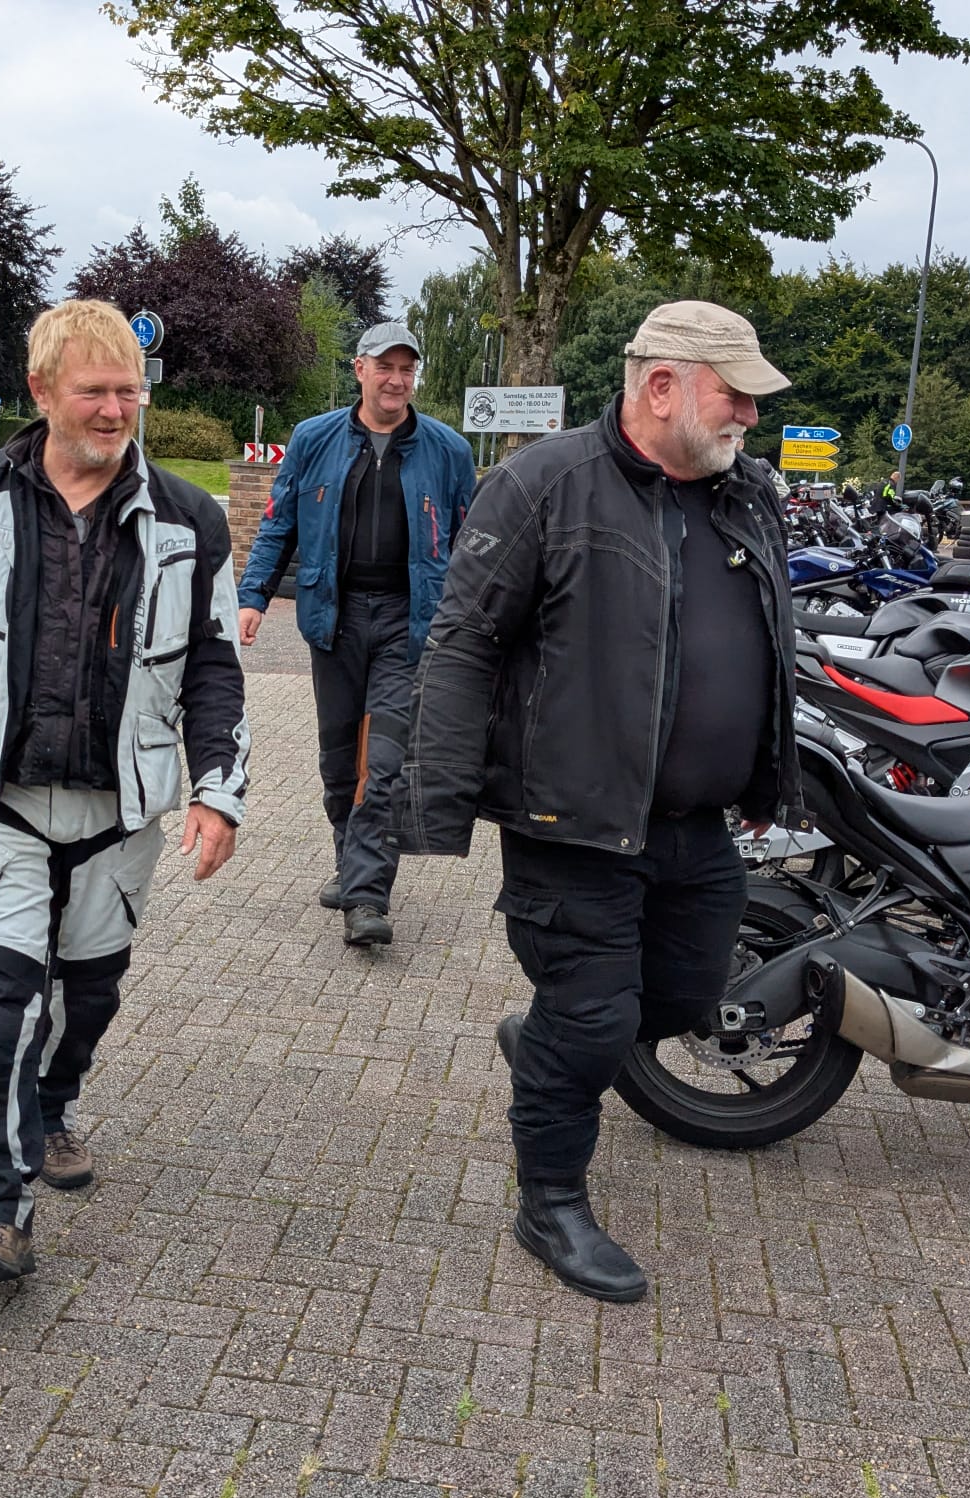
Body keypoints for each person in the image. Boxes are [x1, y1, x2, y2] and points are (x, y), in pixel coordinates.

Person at [392, 301, 801, 1302]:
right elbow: (462, 643)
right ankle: (551, 1201)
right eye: (735, 393)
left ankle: (547, 1046)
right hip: (572, 822)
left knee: (682, 999)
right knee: (591, 1016)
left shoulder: (747, 492)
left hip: (696, 824)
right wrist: (434, 804)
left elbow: (766, 634)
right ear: (662, 387)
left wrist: (764, 771)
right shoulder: (544, 484)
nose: (752, 413)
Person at [0, 299, 250, 1292]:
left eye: (130, 391)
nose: (116, 409)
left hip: (118, 819)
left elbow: (214, 666)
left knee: (88, 996)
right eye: (94, 391)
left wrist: (219, 791)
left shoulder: (190, 520)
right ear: (42, 391)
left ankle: (53, 1104)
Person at [236, 321, 475, 947]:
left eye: (407, 369)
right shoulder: (314, 438)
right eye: (385, 367)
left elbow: (471, 543)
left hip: (408, 619)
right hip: (333, 617)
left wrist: (474, 622)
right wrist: (253, 596)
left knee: (384, 762)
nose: (396, 380)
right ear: (359, 369)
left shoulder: (448, 450)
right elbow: (279, 523)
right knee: (340, 759)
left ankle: (367, 895)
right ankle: (351, 860)